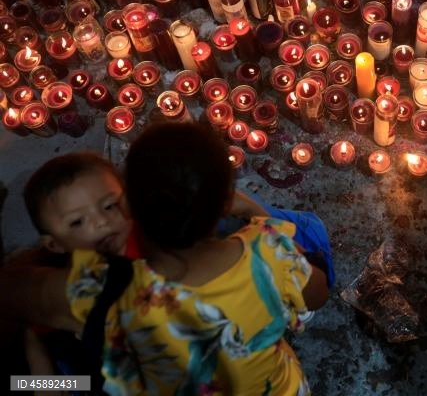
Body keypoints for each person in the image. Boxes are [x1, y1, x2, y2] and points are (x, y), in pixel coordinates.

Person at [0, 122, 329, 395]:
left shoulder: (97, 292)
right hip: (278, 388)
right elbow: (317, 294)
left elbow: (13, 293)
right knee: (311, 230)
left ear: (129, 204)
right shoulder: (269, 248)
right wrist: (261, 220)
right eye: (77, 221)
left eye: (107, 205)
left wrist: (35, 365)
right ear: (226, 203)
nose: (100, 222)